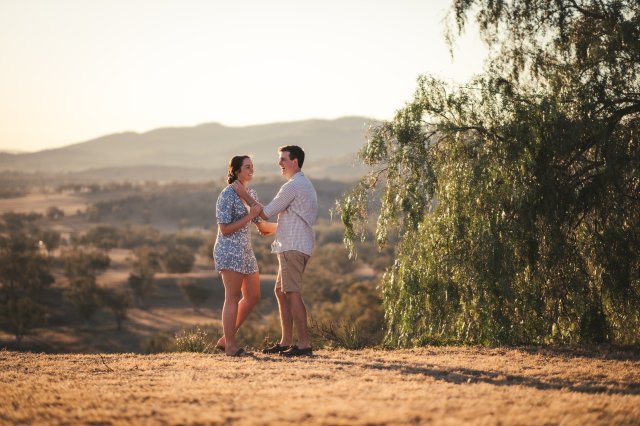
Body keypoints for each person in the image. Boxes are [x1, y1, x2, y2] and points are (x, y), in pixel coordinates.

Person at [232, 145, 318, 357]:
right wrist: (266, 226)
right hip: (294, 244)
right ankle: (286, 341)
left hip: (292, 247)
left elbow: (266, 212)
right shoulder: (303, 184)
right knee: (280, 291)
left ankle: (304, 345)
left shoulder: (292, 186)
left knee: (292, 292)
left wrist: (244, 195)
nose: (280, 163)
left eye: (283, 159)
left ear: (295, 162)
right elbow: (289, 219)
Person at [213, 155, 276, 357]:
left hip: (246, 251)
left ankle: (225, 339)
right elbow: (224, 229)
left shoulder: (251, 193)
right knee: (232, 297)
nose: (251, 170)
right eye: (247, 167)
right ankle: (231, 346)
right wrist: (250, 216)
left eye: (252, 166)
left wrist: (288, 227)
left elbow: (262, 223)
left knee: (253, 296)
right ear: (236, 171)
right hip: (229, 250)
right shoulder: (226, 195)